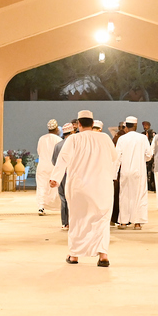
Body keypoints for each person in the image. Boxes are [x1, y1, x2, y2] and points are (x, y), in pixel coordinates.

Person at [50, 110, 118, 267]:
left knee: (77, 219)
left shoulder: (73, 139)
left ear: (78, 124)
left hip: (79, 186)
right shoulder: (104, 138)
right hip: (102, 186)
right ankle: (103, 255)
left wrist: (55, 178)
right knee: (102, 219)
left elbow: (63, 159)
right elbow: (114, 158)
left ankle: (74, 255)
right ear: (93, 124)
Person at [115, 116, 153, 229]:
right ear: (136, 126)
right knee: (139, 195)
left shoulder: (122, 139)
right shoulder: (143, 138)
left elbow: (117, 157)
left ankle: (123, 222)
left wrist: (114, 172)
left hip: (125, 171)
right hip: (139, 171)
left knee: (124, 195)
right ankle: (137, 223)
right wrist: (141, 159)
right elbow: (149, 155)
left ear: (126, 127)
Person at [52, 122, 76, 230]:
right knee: (74, 198)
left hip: (62, 175)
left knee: (64, 198)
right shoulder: (75, 144)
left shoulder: (58, 145)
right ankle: (74, 221)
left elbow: (54, 161)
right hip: (74, 175)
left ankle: (65, 223)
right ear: (72, 132)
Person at [35, 119, 63, 215]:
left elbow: (39, 151)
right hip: (54, 166)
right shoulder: (58, 140)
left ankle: (41, 207)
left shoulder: (42, 139)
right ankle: (56, 207)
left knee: (41, 186)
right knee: (54, 188)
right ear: (56, 129)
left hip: (42, 166)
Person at [142, 121, 156, 190]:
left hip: (151, 156)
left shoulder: (152, 133)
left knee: (151, 172)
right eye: (144, 125)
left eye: (146, 125)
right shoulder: (142, 134)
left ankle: (152, 186)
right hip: (144, 156)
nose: (145, 127)